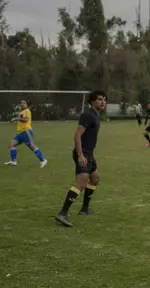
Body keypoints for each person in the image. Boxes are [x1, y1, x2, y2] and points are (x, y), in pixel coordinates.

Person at [54, 91, 107, 227]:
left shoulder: (95, 115)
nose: (102, 102)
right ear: (92, 101)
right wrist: (80, 155)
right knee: (82, 181)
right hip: (83, 153)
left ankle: (84, 208)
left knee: (95, 178)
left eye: (104, 99)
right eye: (99, 99)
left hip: (89, 153)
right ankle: (63, 213)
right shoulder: (88, 115)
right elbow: (77, 136)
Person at [5, 100, 47, 168]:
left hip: (26, 131)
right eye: (21, 103)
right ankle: (14, 161)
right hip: (20, 133)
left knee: (31, 146)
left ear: (27, 105)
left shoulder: (27, 111)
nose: (22, 104)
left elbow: (26, 119)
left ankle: (43, 160)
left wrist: (16, 119)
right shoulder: (21, 112)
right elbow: (21, 120)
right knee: (12, 144)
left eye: (24, 103)